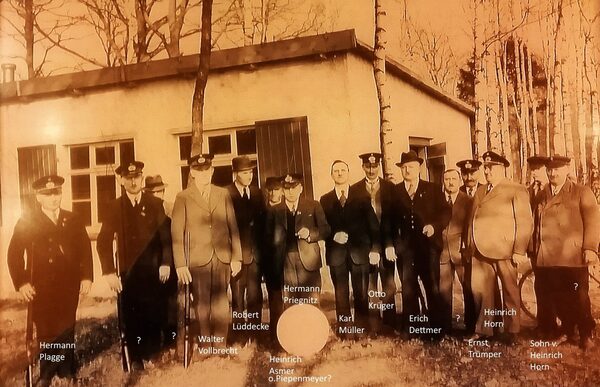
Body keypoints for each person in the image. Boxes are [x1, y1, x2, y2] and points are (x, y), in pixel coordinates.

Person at [7, 175, 93, 385]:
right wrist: (22, 282)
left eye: (57, 193)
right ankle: (47, 372)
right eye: (48, 194)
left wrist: (86, 277)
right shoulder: (28, 221)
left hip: (68, 285)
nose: (54, 198)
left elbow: (85, 250)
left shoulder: (72, 219)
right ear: (38, 197)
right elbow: (14, 254)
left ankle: (66, 370)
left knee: (66, 327)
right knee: (46, 329)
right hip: (40, 286)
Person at [97, 161, 173, 369]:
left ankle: (151, 353)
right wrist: (109, 272)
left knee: (154, 312)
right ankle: (136, 355)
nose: (133, 182)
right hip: (127, 274)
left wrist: (166, 262)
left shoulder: (155, 204)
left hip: (153, 270)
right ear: (122, 181)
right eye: (128, 178)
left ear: (141, 178)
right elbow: (103, 243)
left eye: (137, 177)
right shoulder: (114, 207)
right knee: (131, 315)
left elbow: (165, 237)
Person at [171, 154, 242, 351]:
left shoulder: (223, 194)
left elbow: (232, 226)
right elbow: (176, 232)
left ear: (212, 171)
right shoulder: (183, 197)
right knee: (201, 305)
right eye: (198, 171)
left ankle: (220, 345)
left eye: (207, 171)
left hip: (222, 257)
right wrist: (180, 264)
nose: (203, 175)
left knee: (221, 303)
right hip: (197, 259)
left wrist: (237, 257)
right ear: (192, 173)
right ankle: (205, 344)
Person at [531, 155, 600, 349]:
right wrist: (534, 250)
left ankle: (586, 332)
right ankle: (568, 331)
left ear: (567, 170)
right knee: (559, 298)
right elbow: (536, 224)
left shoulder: (581, 192)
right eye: (550, 170)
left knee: (580, 297)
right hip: (549, 257)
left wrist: (590, 248)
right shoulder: (542, 194)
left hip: (573, 255)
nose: (553, 173)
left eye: (558, 169)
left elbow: (593, 222)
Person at [464, 151, 533, 344]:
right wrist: (470, 244)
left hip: (505, 250)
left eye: (491, 167)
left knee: (510, 291)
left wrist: (519, 250)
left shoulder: (516, 189)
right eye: (485, 168)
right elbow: (472, 219)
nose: (487, 171)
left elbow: (524, 221)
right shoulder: (480, 190)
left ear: (502, 168)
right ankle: (485, 330)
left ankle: (512, 331)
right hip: (480, 249)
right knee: (481, 291)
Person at [387, 151, 450, 337]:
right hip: (405, 250)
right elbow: (388, 222)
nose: (408, 170)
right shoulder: (395, 191)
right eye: (404, 167)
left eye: (412, 167)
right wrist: (391, 244)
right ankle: (412, 329)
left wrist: (434, 226)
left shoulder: (432, 188)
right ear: (401, 170)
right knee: (408, 289)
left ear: (419, 168)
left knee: (432, 287)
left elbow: (446, 212)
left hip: (428, 248)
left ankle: (436, 329)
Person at [320, 160, 380, 339]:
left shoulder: (361, 196)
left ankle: (361, 331)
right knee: (341, 295)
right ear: (331, 175)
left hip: (359, 254)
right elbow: (322, 227)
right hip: (337, 255)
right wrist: (333, 236)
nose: (339, 173)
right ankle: (345, 332)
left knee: (361, 293)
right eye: (336, 171)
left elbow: (373, 226)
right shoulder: (325, 199)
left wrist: (375, 249)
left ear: (348, 173)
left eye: (342, 170)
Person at [266, 173, 330, 305]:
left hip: (309, 261)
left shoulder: (313, 205)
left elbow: (326, 230)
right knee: (290, 305)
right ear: (283, 190)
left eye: (294, 188)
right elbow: (268, 238)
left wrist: (310, 234)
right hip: (285, 263)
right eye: (287, 188)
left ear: (301, 188)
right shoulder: (274, 211)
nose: (290, 192)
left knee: (311, 304)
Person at [350, 152, 397, 332]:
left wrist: (390, 245)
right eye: (368, 166)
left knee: (388, 286)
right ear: (363, 167)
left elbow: (393, 220)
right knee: (369, 288)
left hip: (387, 246)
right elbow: (356, 224)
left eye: (374, 166)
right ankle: (373, 325)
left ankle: (390, 324)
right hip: (365, 248)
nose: (371, 170)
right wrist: (369, 248)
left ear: (379, 167)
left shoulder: (390, 188)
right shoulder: (354, 190)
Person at [226, 156, 266, 344]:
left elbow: (262, 224)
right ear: (235, 174)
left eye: (251, 172)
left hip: (256, 255)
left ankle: (255, 335)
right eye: (244, 173)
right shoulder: (226, 194)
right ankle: (240, 337)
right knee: (237, 299)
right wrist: (233, 256)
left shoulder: (258, 193)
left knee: (255, 296)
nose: (249, 176)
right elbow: (224, 227)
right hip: (237, 256)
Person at [143, 174, 178, 348]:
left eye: (161, 191)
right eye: (154, 192)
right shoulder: (141, 213)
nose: (159, 195)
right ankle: (153, 340)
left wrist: (170, 263)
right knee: (153, 303)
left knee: (171, 303)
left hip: (170, 262)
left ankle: (171, 338)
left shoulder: (172, 210)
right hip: (150, 265)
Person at [439, 169, 475, 333]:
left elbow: (470, 226)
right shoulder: (438, 200)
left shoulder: (468, 201)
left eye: (454, 179)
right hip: (443, 253)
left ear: (460, 181)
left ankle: (470, 325)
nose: (450, 182)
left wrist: (466, 248)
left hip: (461, 252)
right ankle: (445, 327)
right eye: (447, 179)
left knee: (467, 288)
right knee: (444, 290)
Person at [262, 176, 284, 342]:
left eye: (276, 189)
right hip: (270, 264)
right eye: (270, 190)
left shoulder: (287, 210)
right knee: (275, 299)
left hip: (289, 261)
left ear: (282, 191)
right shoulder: (263, 212)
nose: (273, 193)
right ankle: (276, 335)